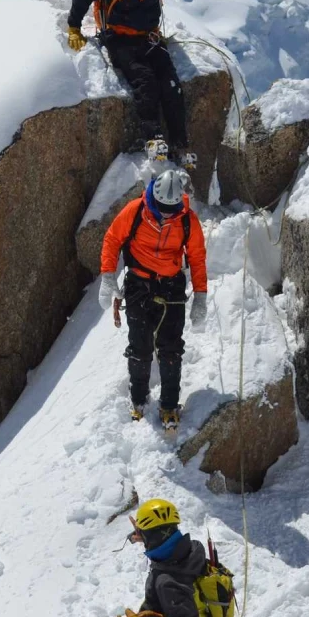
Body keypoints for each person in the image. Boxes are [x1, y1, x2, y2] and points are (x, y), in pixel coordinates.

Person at [65, 0, 193, 166]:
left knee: (171, 84)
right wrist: (74, 27)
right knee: (145, 81)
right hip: (119, 38)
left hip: (148, 37)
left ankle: (180, 144)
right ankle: (154, 141)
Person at [98, 170, 208, 430]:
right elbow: (112, 239)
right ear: (153, 199)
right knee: (139, 346)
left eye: (173, 208)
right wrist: (107, 275)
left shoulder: (187, 221)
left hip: (171, 286)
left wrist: (201, 296)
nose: (168, 213)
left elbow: (197, 258)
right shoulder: (136, 210)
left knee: (171, 349)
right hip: (139, 284)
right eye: (163, 208)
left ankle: (169, 404)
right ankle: (139, 400)